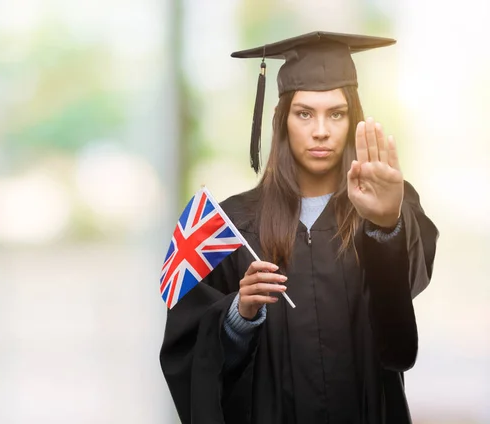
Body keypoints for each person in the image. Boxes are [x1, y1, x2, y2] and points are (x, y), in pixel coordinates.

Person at [159, 31, 439, 424]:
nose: (320, 130)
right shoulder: (235, 224)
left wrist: (385, 226)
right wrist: (239, 316)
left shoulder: (389, 207)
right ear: (282, 120)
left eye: (336, 113)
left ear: (353, 119)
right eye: (304, 113)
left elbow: (398, 344)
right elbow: (189, 355)